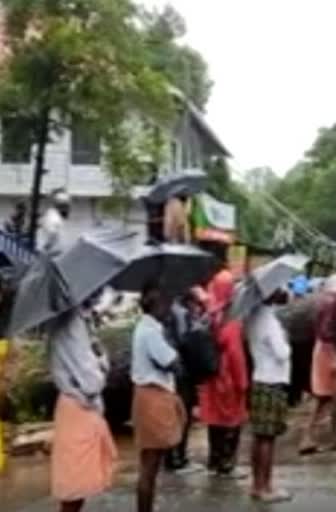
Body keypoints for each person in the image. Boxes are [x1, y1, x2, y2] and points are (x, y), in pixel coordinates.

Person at [48, 305, 117, 512]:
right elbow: (91, 382)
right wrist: (101, 365)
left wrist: (98, 356)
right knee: (74, 487)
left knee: (76, 485)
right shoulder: (72, 323)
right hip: (78, 408)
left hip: (74, 407)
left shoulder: (74, 320)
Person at [131, 286, 186, 512]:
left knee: (150, 461)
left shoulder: (148, 328)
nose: (169, 308)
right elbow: (172, 362)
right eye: (166, 303)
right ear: (156, 305)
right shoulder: (150, 332)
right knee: (150, 464)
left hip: (149, 395)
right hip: (154, 397)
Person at [199, 267, 249, 478]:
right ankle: (227, 464)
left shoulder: (208, 316)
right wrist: (243, 383)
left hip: (211, 377)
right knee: (231, 420)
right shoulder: (232, 323)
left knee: (215, 421)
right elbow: (237, 357)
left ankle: (214, 460)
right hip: (228, 379)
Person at [246, 289, 293, 503]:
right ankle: (265, 487)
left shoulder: (253, 316)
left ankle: (257, 485)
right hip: (273, 381)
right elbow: (282, 353)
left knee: (259, 436)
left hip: (259, 378)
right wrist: (286, 340)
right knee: (268, 438)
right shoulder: (269, 321)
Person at [299, 273, 336, 454]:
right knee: (327, 395)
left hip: (322, 349)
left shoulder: (323, 301)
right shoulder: (331, 303)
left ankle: (321, 436)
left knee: (327, 396)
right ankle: (313, 436)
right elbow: (328, 331)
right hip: (328, 350)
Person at [164, 292, 205, 474]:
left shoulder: (170, 310)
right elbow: (185, 341)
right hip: (181, 371)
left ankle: (174, 456)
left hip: (174, 371)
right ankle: (177, 458)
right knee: (181, 415)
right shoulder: (180, 313)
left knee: (177, 415)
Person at [39, 189, 71, 255]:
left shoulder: (56, 216)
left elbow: (53, 233)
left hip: (54, 251)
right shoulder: (54, 216)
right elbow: (53, 233)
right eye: (66, 206)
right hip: (53, 252)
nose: (68, 208)